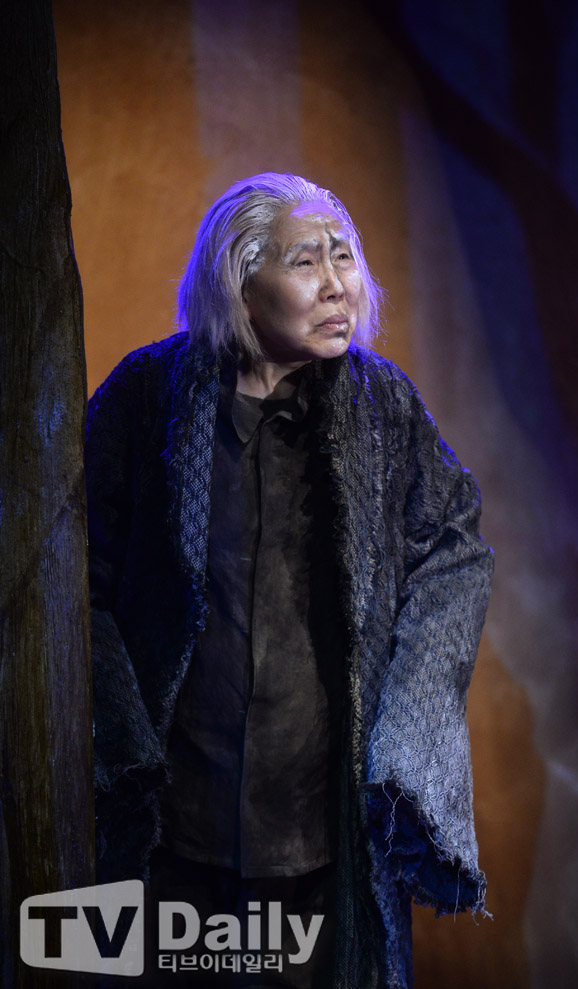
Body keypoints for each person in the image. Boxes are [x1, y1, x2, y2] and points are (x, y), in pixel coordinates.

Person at [85, 172, 493, 988]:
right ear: (239, 280)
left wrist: (409, 731)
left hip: (320, 840)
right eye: (306, 260)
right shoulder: (145, 398)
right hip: (175, 835)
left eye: (345, 255)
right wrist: (119, 746)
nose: (340, 283)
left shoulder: (382, 407)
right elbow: (77, 579)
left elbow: (455, 547)